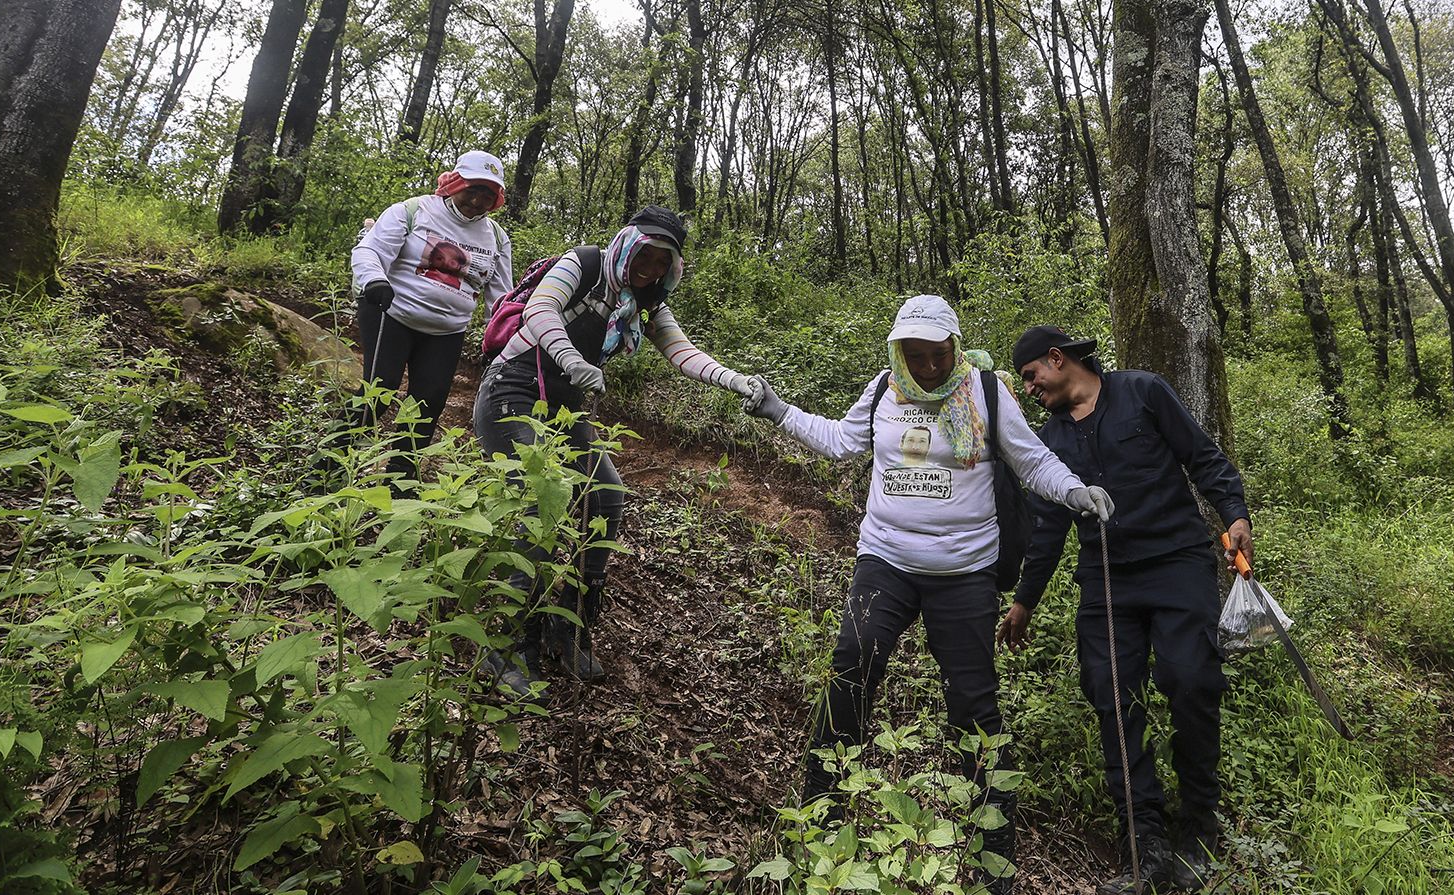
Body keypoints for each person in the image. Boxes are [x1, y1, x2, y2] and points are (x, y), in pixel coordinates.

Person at [742, 295, 1114, 895]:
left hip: (964, 572)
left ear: (955, 346)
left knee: (973, 701)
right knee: (851, 668)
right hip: (884, 560)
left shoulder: (987, 392)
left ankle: (992, 847)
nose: (929, 367)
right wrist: (779, 410)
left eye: (938, 354)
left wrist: (1076, 492)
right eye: (916, 357)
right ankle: (820, 815)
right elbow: (840, 441)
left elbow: (1032, 461)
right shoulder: (885, 391)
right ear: (898, 353)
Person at [1000, 326, 1254, 894]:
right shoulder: (1051, 440)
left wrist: (1235, 516)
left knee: (1190, 679)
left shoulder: (1143, 391)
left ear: (1057, 359)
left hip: (1178, 563)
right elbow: (1049, 529)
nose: (1030, 387)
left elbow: (1202, 457)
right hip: (1107, 579)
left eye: (1031, 374)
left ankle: (1197, 829)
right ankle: (1143, 843)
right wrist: (1024, 600)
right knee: (1111, 692)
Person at [474, 205, 753, 695]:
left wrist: (737, 381)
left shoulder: (645, 301)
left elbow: (682, 353)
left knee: (606, 497)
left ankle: (572, 624)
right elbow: (541, 309)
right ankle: (507, 640)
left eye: (664, 261)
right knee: (539, 504)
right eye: (646, 254)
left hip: (564, 406)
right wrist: (569, 358)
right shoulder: (583, 262)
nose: (652, 268)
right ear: (628, 243)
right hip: (512, 390)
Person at [349, 149, 514, 484]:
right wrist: (375, 280)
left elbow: (500, 296)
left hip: (447, 330)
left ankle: (400, 481)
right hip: (391, 311)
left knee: (429, 404)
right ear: (455, 183)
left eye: (488, 194)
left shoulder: (496, 237)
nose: (478, 201)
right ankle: (330, 463)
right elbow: (370, 250)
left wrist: (502, 340)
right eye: (473, 190)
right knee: (379, 389)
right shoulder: (413, 211)